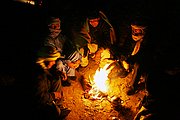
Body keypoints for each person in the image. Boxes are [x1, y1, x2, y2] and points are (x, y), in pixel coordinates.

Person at [31, 45, 71, 120]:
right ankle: (57, 110)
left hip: (44, 90)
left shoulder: (43, 66)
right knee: (55, 112)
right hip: (37, 102)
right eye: (52, 60)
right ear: (46, 60)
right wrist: (53, 95)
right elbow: (39, 98)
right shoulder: (38, 75)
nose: (54, 63)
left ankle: (58, 106)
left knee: (56, 78)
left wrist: (59, 72)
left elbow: (49, 71)